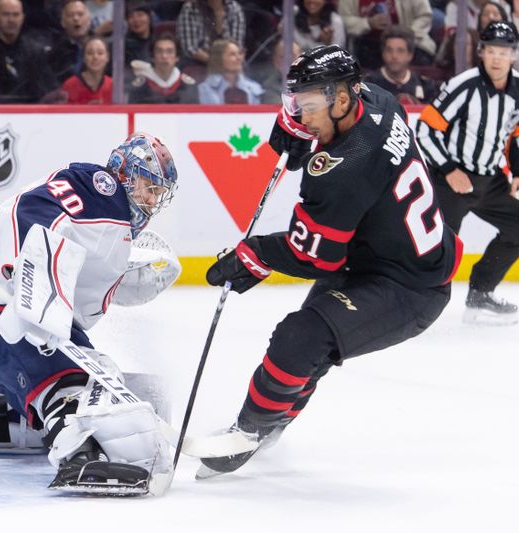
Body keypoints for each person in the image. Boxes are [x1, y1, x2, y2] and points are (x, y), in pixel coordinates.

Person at [198, 44, 462, 478]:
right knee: (310, 344)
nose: (301, 116)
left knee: (300, 337)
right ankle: (275, 420)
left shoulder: (344, 169)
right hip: (385, 254)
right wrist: (296, 127)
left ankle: (250, 431)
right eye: (295, 105)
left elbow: (313, 255)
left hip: (409, 287)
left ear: (342, 99)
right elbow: (331, 134)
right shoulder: (378, 98)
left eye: (309, 107)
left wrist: (255, 254)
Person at [0, 132, 180, 495]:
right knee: (74, 379)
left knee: (94, 371)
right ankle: (78, 454)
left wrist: (129, 278)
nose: (151, 200)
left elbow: (80, 294)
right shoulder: (99, 188)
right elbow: (20, 209)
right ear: (123, 172)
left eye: (158, 193)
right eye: (147, 186)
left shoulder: (108, 226)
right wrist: (24, 276)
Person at [416, 21, 519, 325]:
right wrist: (449, 170)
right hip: (450, 181)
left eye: (503, 52)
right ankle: (413, 302)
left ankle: (480, 293)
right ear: (481, 52)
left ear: (513, 55)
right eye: (491, 51)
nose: (497, 58)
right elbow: (426, 128)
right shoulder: (464, 85)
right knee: (439, 247)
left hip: (489, 180)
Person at [0, 0, 54, 103]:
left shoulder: (35, 51)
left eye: (16, 15)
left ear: (22, 18)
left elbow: (48, 88)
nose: (11, 20)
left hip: (31, 113)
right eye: (6, 14)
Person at [338, 0, 435, 68]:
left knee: (421, 57)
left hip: (410, 39)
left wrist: (406, 33)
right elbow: (343, 20)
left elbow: (424, 16)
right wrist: (368, 23)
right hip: (368, 43)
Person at [365, 26, 437, 104]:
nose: (394, 56)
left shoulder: (425, 85)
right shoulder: (369, 84)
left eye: (400, 51)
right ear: (383, 53)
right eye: (389, 50)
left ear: (410, 55)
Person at [129, 33, 199, 104]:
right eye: (159, 51)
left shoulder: (188, 86)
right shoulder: (140, 87)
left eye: (169, 51)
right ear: (152, 57)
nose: (164, 56)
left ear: (177, 57)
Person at [176, 0, 246, 67]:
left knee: (242, 66)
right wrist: (215, 62)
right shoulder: (190, 9)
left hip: (228, 60)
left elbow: (236, 45)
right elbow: (190, 49)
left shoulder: (234, 8)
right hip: (196, 61)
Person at [198, 38, 263, 104]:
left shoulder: (254, 88)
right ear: (218, 59)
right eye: (232, 54)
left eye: (239, 53)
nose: (239, 58)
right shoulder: (204, 89)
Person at [60, 35, 112, 103]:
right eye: (90, 53)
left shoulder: (113, 85)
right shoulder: (69, 85)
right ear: (84, 58)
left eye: (100, 53)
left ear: (107, 57)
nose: (95, 57)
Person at [260, 37, 302, 105]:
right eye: (283, 57)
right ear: (275, 61)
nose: (289, 60)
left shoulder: (314, 80)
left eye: (293, 55)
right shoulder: (269, 87)